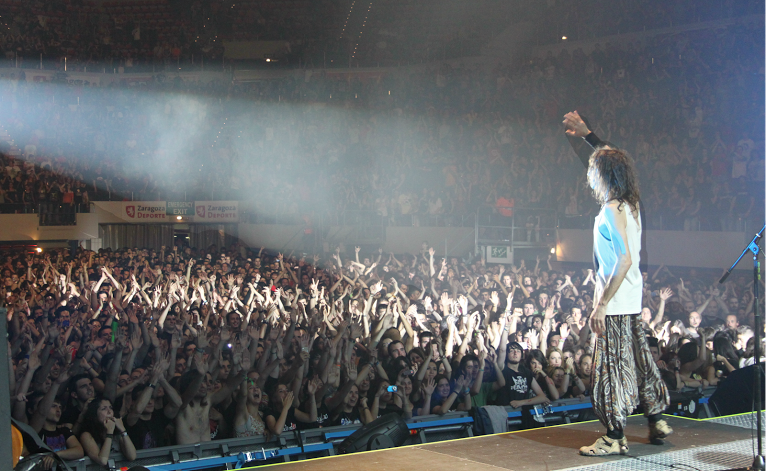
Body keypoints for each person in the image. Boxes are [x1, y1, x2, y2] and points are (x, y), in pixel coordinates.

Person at [563, 111, 671, 456]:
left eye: (594, 171)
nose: (590, 175)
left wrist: (600, 304)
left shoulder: (612, 208)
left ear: (603, 176)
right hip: (632, 301)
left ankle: (614, 436)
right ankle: (656, 419)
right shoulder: (631, 205)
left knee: (610, 371)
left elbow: (623, 259)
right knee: (640, 362)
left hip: (615, 303)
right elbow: (613, 157)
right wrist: (589, 135)